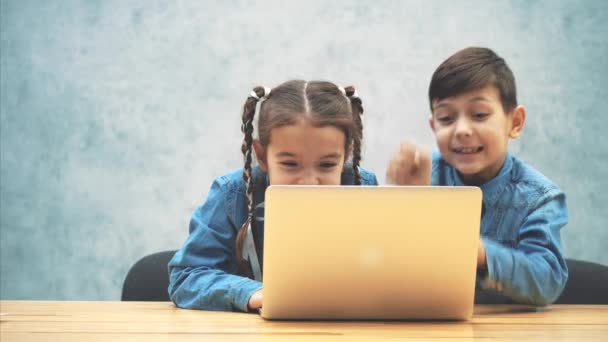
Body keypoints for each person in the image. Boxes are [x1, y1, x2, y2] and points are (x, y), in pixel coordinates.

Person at [169, 80, 378, 312]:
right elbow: (187, 277)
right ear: (262, 156)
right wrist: (254, 293)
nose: (309, 182)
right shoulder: (232, 194)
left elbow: (392, 270)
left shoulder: (363, 189)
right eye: (290, 164)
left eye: (327, 164)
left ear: (346, 154)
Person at [387, 47, 568, 305]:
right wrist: (410, 201)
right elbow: (389, 267)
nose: (461, 130)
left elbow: (547, 280)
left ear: (515, 122)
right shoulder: (423, 177)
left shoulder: (539, 197)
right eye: (447, 118)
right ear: (433, 126)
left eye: (479, 115)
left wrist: (481, 255)